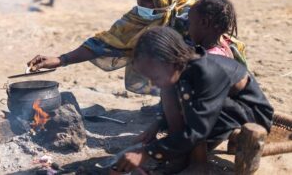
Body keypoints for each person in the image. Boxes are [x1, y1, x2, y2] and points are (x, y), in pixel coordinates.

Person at [27, 0, 203, 98]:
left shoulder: (194, 15)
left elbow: (208, 61)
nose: (140, 3)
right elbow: (105, 41)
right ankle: (169, 102)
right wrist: (61, 59)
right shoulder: (139, 16)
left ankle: (181, 104)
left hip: (205, 82)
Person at [113, 27, 274, 174]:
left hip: (250, 114)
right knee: (169, 90)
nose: (153, 84)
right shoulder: (182, 65)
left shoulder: (207, 73)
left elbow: (197, 130)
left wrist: (148, 152)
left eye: (155, 77)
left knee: (185, 101)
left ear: (172, 61)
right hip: (215, 111)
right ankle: (182, 157)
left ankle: (199, 164)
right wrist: (157, 125)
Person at [188, 0, 247, 66]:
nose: (188, 28)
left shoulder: (208, 60)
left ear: (204, 23)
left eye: (190, 23)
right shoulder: (224, 45)